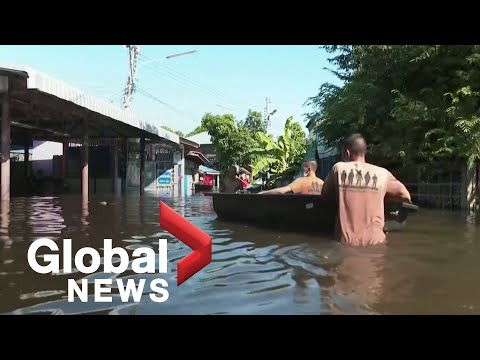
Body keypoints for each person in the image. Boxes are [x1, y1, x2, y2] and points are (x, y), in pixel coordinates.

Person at [321, 134, 412, 246]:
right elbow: (406, 196)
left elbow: (324, 194)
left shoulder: (339, 169)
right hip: (377, 244)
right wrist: (381, 195)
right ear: (364, 152)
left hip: (346, 244)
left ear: (347, 153)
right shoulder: (383, 173)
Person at [259, 160, 324, 195]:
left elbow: (281, 191)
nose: (303, 169)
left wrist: (263, 193)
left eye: (304, 167)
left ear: (309, 168)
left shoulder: (301, 181)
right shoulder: (323, 183)